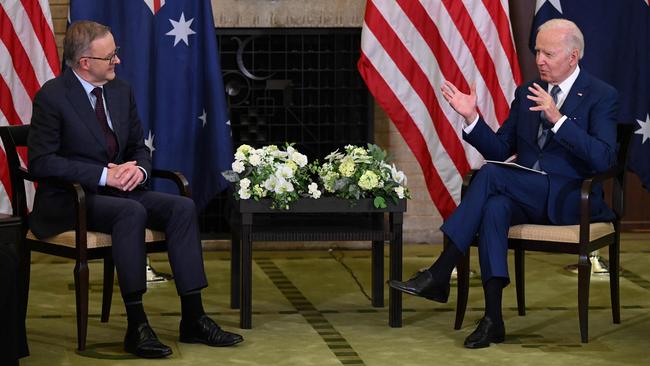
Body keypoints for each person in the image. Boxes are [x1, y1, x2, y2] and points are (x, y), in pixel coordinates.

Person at [388, 18, 618, 348]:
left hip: (571, 200)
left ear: (573, 56)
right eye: (537, 51)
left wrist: (559, 121)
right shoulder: (526, 92)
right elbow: (500, 148)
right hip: (526, 195)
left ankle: (441, 271)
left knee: (492, 176)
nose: (539, 60)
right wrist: (472, 118)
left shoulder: (601, 95)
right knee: (495, 207)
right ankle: (493, 319)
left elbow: (605, 159)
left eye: (548, 54)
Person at [28, 20, 243, 358]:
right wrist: (102, 175)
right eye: (110, 56)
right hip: (71, 199)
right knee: (131, 212)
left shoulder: (119, 91)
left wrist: (138, 169)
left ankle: (194, 317)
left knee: (181, 207)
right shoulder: (53, 97)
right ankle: (137, 325)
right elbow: (42, 162)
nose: (118, 61)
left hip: (118, 192)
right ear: (85, 62)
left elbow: (138, 147)